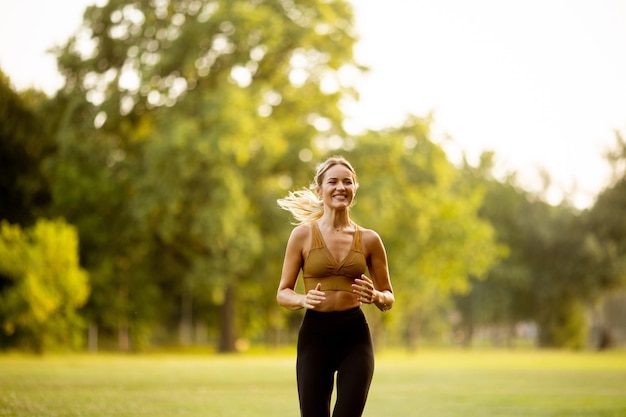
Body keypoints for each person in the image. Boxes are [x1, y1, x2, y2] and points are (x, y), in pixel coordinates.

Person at [276, 156, 394, 417]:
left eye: (347, 182)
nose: (341, 187)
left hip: (355, 337)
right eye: (333, 181)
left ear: (354, 189)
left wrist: (375, 295)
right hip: (315, 335)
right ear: (320, 191)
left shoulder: (370, 240)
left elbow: (389, 296)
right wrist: (302, 300)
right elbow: (282, 293)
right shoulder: (302, 235)